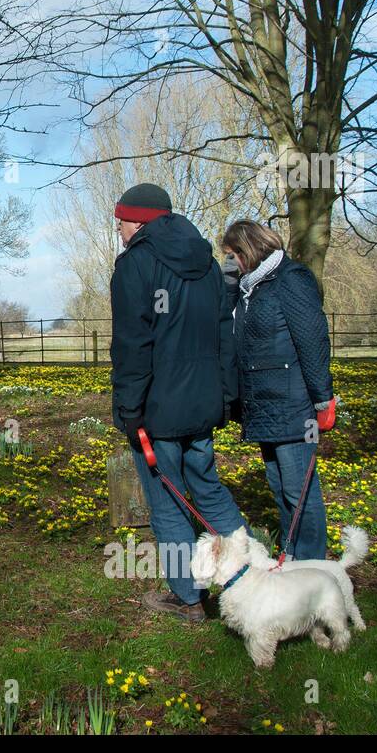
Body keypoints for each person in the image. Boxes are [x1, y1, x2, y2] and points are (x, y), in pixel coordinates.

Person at [109, 183, 248, 622]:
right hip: (202, 405)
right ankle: (247, 575)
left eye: (122, 221)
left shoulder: (136, 266)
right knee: (207, 487)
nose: (119, 229)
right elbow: (224, 335)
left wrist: (130, 410)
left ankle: (188, 599)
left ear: (142, 221)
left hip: (157, 410)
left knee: (167, 503)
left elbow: (133, 346)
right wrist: (226, 396)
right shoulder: (207, 265)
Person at [221, 220, 335, 561]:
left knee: (299, 490)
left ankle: (311, 565)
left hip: (294, 402)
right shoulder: (247, 287)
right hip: (263, 403)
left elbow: (312, 341)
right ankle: (291, 552)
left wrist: (322, 398)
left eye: (231, 256)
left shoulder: (290, 279)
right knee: (279, 484)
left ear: (247, 250)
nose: (229, 263)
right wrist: (229, 281)